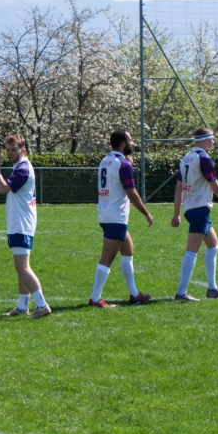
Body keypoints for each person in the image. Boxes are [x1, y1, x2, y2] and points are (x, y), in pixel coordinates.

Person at [171, 127, 218, 301]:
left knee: (213, 245)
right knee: (191, 252)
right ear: (204, 140)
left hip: (190, 209)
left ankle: (212, 289)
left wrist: (177, 213)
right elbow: (215, 187)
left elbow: (179, 187)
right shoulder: (204, 159)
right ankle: (181, 292)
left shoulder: (186, 158)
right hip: (200, 208)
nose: (213, 142)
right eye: (211, 139)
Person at [90, 130, 154, 308]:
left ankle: (134, 294)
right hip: (115, 216)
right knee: (107, 258)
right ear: (124, 143)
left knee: (128, 251)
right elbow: (131, 193)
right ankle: (95, 298)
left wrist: (128, 164)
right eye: (130, 140)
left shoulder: (105, 160)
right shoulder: (123, 164)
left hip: (105, 213)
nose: (132, 143)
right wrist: (146, 213)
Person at [0, 134, 51, 318]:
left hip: (21, 224)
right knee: (21, 267)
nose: (9, 153)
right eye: (7, 149)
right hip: (19, 223)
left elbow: (1, 189)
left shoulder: (23, 169)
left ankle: (41, 304)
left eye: (13, 149)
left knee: (22, 267)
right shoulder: (20, 167)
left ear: (23, 150)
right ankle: (22, 306)